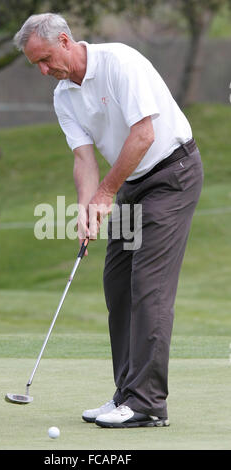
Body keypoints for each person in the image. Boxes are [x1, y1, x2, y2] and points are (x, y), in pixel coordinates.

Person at [14, 13, 203, 428]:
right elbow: (84, 158)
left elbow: (143, 136)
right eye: (36, 66)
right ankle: (127, 393)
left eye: (46, 59)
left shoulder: (120, 62)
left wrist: (105, 194)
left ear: (65, 40)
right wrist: (87, 207)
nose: (45, 71)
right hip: (132, 180)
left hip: (171, 173)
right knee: (117, 283)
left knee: (147, 287)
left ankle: (148, 403)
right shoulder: (64, 96)